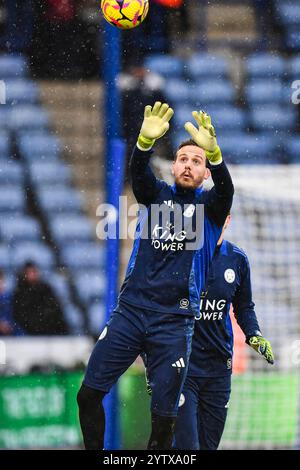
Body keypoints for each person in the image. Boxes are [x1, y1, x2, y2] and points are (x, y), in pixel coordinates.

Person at [77, 102, 234, 450]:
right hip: (131, 312)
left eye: (197, 161)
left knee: (163, 426)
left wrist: (217, 155)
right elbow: (138, 170)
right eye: (183, 159)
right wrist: (144, 144)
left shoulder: (210, 208)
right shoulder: (156, 195)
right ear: (174, 165)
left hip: (174, 324)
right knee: (87, 396)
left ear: (205, 173)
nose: (189, 165)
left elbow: (227, 191)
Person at [172, 215, 274, 450]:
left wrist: (254, 334)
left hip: (218, 368)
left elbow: (244, 307)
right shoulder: (181, 256)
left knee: (208, 446)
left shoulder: (237, 259)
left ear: (227, 220)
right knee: (187, 446)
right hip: (183, 367)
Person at [12, 261, 68, 335]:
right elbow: (20, 314)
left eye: (34, 271)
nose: (33, 274)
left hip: (50, 329)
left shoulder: (46, 289)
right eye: (30, 272)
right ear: (24, 274)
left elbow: (55, 308)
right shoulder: (20, 293)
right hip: (29, 332)